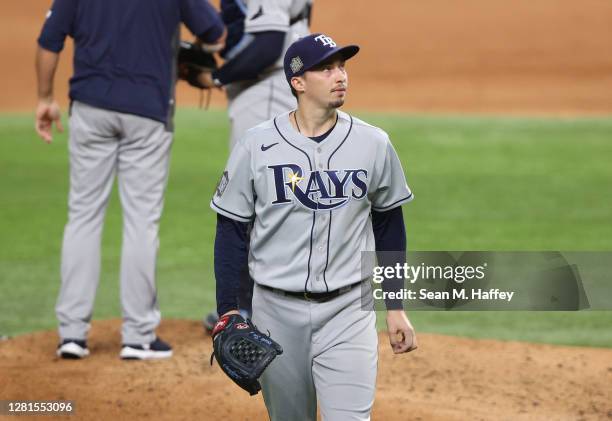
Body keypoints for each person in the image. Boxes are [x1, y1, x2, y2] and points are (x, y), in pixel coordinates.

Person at [209, 33, 417, 420]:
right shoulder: (256, 146)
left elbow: (390, 225)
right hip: (274, 312)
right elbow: (231, 230)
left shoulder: (373, 143)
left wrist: (396, 305)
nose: (340, 76)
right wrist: (230, 310)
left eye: (342, 66)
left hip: (348, 311)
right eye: (326, 68)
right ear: (298, 82)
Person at [35, 0, 225, 360]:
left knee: (83, 217)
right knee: (141, 221)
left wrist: (45, 97)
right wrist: (189, 50)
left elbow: (49, 41)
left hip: (90, 109)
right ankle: (137, 336)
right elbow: (216, 35)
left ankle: (72, 334)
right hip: (147, 111)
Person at [199, 0, 313, 329]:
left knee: (255, 197)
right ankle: (268, 303)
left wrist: (217, 76)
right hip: (268, 82)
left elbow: (267, 45)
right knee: (276, 194)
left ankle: (249, 308)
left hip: (266, 84)